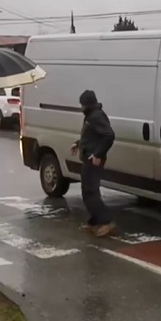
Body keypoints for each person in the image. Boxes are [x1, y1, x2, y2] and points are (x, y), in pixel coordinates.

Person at [70, 90, 116, 236]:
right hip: (87, 158)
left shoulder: (96, 116)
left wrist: (98, 154)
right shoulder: (91, 116)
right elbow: (91, 136)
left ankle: (106, 221)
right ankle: (95, 222)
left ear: (88, 104)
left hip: (93, 161)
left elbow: (109, 135)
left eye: (82, 105)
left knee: (92, 192)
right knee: (86, 192)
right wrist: (78, 144)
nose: (81, 108)